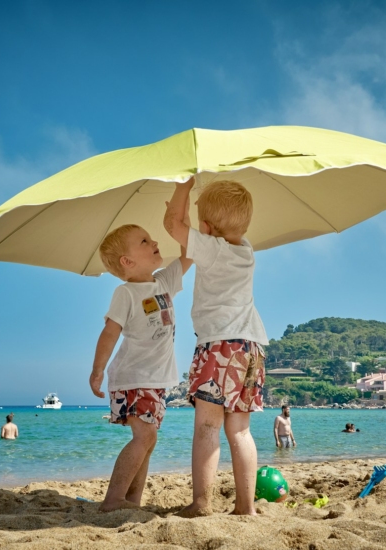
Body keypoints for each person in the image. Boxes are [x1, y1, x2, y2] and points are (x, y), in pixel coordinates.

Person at [164, 178, 268, 517]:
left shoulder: (212, 248)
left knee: (208, 426)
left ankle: (202, 503)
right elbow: (188, 233)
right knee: (240, 430)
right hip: (251, 347)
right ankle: (246, 508)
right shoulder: (246, 250)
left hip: (219, 346)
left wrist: (183, 188)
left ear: (207, 228)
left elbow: (172, 225)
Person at [89, 222, 191, 512]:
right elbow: (110, 332)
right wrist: (98, 370)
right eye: (144, 241)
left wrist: (181, 220)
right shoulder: (126, 293)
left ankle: (131, 501)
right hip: (133, 376)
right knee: (144, 436)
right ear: (127, 262)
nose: (154, 241)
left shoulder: (164, 282)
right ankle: (113, 500)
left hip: (156, 380)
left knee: (149, 440)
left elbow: (189, 255)